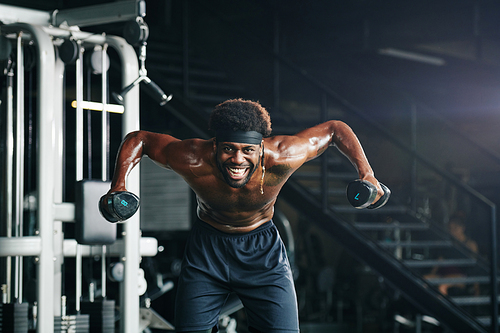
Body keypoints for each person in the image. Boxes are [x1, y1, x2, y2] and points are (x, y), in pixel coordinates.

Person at [103, 98, 385, 333]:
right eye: (229, 150)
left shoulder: (284, 155)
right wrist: (119, 185)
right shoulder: (193, 157)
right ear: (215, 146)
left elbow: (335, 129)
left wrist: (367, 174)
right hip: (207, 252)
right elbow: (139, 140)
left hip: (262, 252)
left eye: (248, 150)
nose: (238, 160)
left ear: (261, 147)